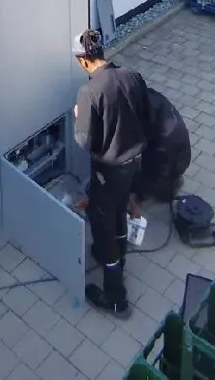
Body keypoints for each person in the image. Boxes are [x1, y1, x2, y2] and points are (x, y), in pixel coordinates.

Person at [72, 28, 151, 317]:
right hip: (135, 163)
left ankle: (116, 299)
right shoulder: (132, 76)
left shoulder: (89, 92)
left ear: (83, 60)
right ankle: (121, 257)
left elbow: (83, 141)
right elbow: (147, 115)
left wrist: (78, 117)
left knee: (102, 223)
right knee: (118, 210)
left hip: (109, 171)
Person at [129, 86, 192, 215]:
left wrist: (135, 197)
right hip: (179, 150)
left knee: (148, 174)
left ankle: (148, 191)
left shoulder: (162, 147)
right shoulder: (148, 97)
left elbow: (150, 167)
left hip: (169, 155)